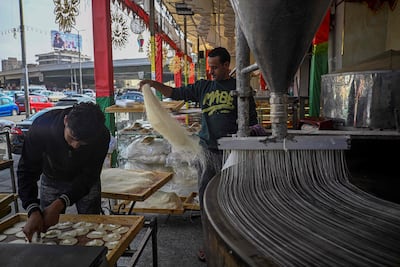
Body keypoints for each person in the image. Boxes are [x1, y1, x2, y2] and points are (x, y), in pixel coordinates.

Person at [139, 46, 260, 261]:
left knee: (232, 196)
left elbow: (252, 121)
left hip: (232, 151)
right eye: (209, 67)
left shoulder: (240, 88)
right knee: (206, 199)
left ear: (226, 65)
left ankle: (234, 242)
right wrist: (152, 84)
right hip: (207, 151)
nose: (211, 71)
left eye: (215, 67)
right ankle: (209, 242)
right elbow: (173, 92)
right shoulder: (204, 87)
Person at [17, 102, 110, 242]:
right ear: (66, 121)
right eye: (72, 137)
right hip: (52, 178)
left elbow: (90, 175)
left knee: (92, 229)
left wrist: (61, 202)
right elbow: (27, 170)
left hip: (84, 180)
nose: (75, 146)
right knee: (47, 231)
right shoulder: (42, 127)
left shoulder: (101, 135)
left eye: (83, 143)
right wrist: (32, 209)